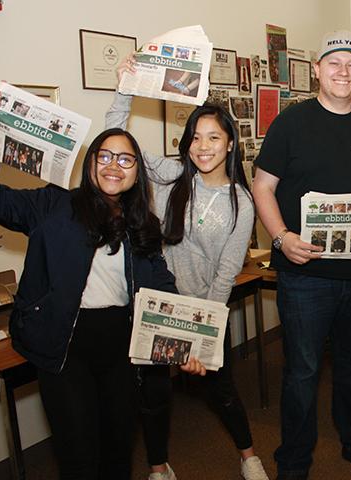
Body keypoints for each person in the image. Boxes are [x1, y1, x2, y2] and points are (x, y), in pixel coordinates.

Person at [0, 84, 205, 479]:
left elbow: (160, 285)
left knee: (117, 449)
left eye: (126, 160)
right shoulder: (52, 206)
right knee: (78, 454)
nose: (114, 165)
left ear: (136, 172)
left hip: (120, 345)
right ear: (90, 162)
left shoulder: (141, 222)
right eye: (105, 156)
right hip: (65, 344)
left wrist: (187, 341)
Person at [252, 30, 351, 480]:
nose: (344, 72)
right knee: (301, 371)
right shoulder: (291, 123)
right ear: (317, 71)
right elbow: (263, 186)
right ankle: (294, 462)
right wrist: (281, 237)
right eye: (334, 63)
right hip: (305, 274)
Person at [108, 55, 268, 480]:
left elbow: (225, 275)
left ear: (230, 143)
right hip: (159, 308)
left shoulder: (242, 203)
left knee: (224, 392)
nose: (203, 146)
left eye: (214, 137)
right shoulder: (170, 177)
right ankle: (159, 466)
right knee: (154, 395)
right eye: (196, 137)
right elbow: (118, 146)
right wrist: (126, 86)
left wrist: (200, 338)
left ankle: (248, 456)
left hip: (205, 310)